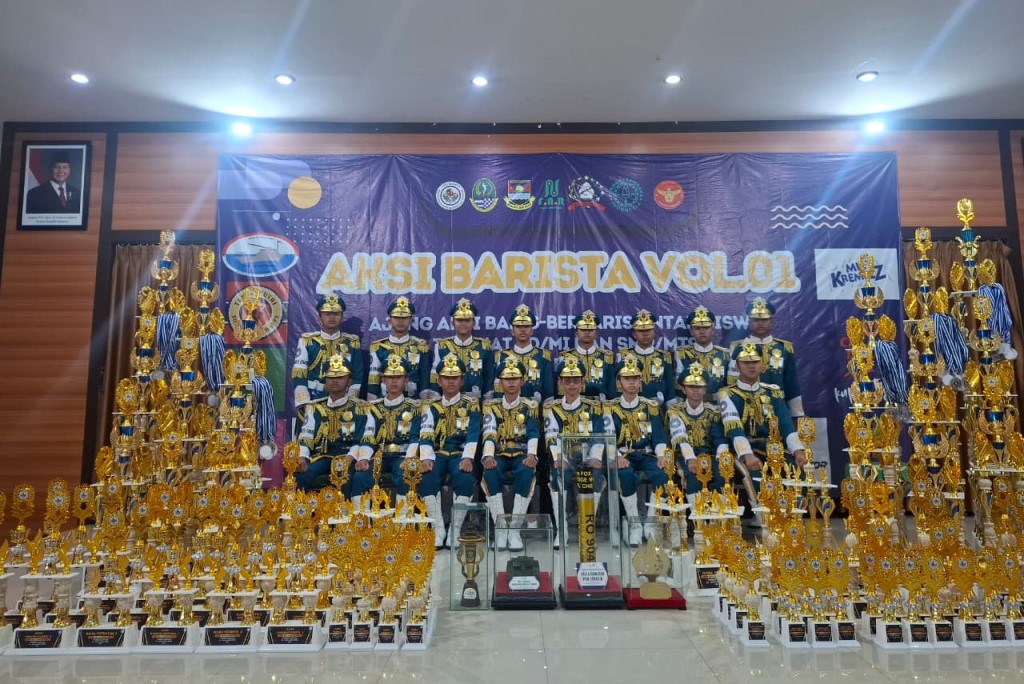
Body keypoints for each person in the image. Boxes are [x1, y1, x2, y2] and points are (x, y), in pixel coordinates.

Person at [719, 342, 807, 516]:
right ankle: (764, 519)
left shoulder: (772, 392)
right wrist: (747, 455)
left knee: (796, 470)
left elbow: (785, 424)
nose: (751, 366)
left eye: (755, 362)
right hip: (746, 449)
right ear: (737, 365)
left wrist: (798, 451)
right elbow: (734, 427)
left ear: (762, 363)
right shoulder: (727, 394)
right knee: (755, 473)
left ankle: (791, 519)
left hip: (774, 448)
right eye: (746, 362)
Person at [603, 354, 670, 545]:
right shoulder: (610, 408)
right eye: (627, 378)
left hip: (647, 454)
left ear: (641, 382)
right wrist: (616, 456)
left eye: (635, 378)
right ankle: (634, 525)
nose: (631, 382)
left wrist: (662, 455)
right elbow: (608, 437)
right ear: (619, 382)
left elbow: (658, 437)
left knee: (662, 475)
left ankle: (650, 523)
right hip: (624, 454)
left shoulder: (650, 407)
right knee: (625, 475)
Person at [418, 355, 482, 548]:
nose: (450, 381)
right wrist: (426, 458)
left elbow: (473, 434)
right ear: (439, 381)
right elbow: (426, 433)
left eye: (455, 378)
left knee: (465, 477)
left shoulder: (471, 404)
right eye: (446, 377)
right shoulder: (430, 405)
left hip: (460, 454)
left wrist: (468, 458)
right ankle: (438, 528)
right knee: (426, 477)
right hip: (437, 454)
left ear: (462, 381)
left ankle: (455, 528)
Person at [543, 357, 605, 548]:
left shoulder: (593, 407)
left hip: (587, 458)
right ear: (560, 383)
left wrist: (595, 457)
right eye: (567, 380)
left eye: (576, 380)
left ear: (583, 382)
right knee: (558, 477)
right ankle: (561, 531)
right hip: (564, 458)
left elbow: (599, 435)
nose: (571, 385)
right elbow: (551, 436)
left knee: (595, 476)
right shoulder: (551, 408)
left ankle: (586, 529)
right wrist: (558, 457)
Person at [481, 357, 540, 551]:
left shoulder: (530, 406)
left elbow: (533, 433)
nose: (511, 383)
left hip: (522, 453)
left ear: (522, 381)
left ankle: (514, 529)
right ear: (500, 383)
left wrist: (532, 455)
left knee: (526, 472)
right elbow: (489, 433)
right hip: (499, 453)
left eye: (515, 378)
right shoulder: (491, 406)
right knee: (490, 472)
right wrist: (488, 456)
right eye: (507, 379)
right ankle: (500, 528)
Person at [296, 355, 371, 500]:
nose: (334, 381)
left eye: (340, 377)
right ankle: (302, 512)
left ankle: (344, 512)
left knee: (343, 475)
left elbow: (361, 439)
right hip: (322, 456)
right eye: (331, 377)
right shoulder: (315, 408)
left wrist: (349, 458)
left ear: (349, 381)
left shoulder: (360, 408)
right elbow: (306, 436)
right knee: (300, 474)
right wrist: (302, 458)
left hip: (347, 457)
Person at [357, 354, 421, 511]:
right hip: (378, 456)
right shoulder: (373, 407)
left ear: (406, 380)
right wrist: (364, 458)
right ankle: (361, 521)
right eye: (390, 377)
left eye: (398, 377)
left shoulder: (415, 407)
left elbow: (415, 438)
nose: (394, 381)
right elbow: (368, 436)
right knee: (360, 476)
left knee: (406, 475)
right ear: (383, 380)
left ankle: (402, 521)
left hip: (402, 456)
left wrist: (409, 458)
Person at [728, 297, 804, 418]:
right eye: (756, 319)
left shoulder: (784, 348)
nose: (760, 323)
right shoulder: (737, 348)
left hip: (778, 408)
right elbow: (731, 382)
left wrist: (797, 415)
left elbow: (791, 384)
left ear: (771, 322)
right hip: (747, 407)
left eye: (764, 319)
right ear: (749, 322)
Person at [291, 293, 363, 418]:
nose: (332, 318)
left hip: (343, 400)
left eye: (336, 314)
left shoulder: (352, 343)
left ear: (342, 317)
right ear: (319, 317)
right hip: (313, 398)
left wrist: (350, 402)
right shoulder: (307, 342)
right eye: (327, 314)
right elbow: (299, 375)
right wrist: (304, 403)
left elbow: (357, 376)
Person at [665, 365, 728, 505]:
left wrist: (721, 459)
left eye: (699, 387)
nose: (695, 390)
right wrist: (690, 459)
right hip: (685, 456)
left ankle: (719, 514)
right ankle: (697, 515)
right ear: (683, 389)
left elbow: (720, 438)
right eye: (691, 386)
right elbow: (680, 437)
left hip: (710, 456)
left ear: (705, 390)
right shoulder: (675, 411)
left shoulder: (713, 412)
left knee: (722, 476)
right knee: (693, 478)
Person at [426, 298, 493, 400]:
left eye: (467, 320)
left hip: (476, 403)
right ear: (453, 323)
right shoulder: (442, 346)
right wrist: (436, 402)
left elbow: (489, 377)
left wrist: (487, 404)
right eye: (459, 320)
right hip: (448, 402)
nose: (463, 323)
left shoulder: (484, 347)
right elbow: (435, 376)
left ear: (474, 323)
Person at [368, 297, 430, 400]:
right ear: (389, 321)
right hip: (385, 401)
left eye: (404, 318)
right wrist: (371, 403)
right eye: (396, 317)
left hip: (414, 401)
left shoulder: (420, 347)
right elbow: (373, 379)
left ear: (411, 321)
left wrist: (425, 403)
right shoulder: (379, 348)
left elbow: (425, 378)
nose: (400, 321)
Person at [492, 304, 554, 404]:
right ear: (512, 331)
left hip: (536, 410)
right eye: (518, 326)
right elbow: (498, 391)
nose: (522, 330)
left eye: (526, 326)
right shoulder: (502, 356)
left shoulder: (543, 356)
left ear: (532, 331)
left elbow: (548, 392)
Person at [616, 309, 674, 406]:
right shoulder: (624, 356)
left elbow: (670, 387)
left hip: (659, 407)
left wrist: (671, 408)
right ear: (634, 334)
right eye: (640, 331)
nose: (645, 334)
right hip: (632, 407)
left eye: (648, 330)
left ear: (654, 332)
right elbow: (618, 386)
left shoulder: (664, 356)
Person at [674, 305, 730, 403]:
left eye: (706, 327)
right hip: (691, 407)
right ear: (691, 331)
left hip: (718, 407)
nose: (702, 331)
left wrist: (713, 397)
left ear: (712, 330)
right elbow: (679, 387)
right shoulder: (682, 354)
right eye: (697, 328)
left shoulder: (724, 355)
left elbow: (730, 387)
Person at [557, 310, 615, 401]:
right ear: (576, 333)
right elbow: (561, 389)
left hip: (601, 404)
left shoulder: (606, 357)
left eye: (591, 330)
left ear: (596, 334)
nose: (587, 332)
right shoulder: (566, 357)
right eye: (583, 330)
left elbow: (612, 388)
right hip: (573, 403)